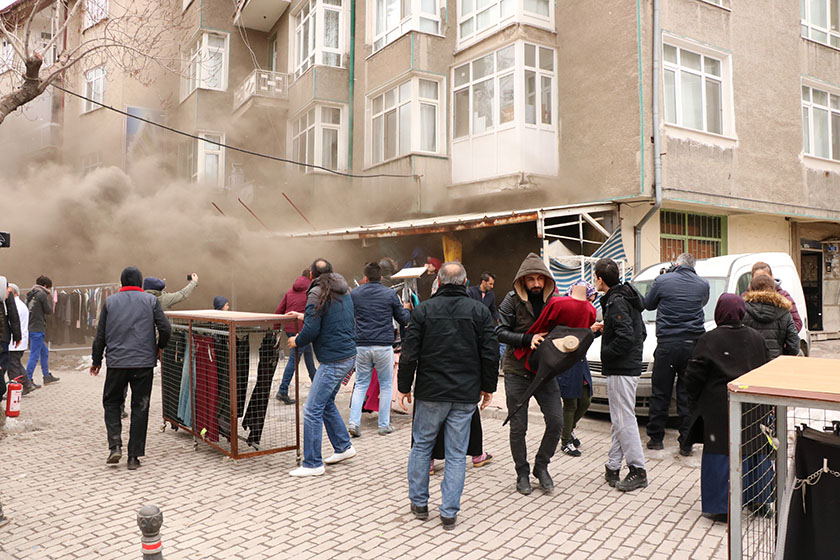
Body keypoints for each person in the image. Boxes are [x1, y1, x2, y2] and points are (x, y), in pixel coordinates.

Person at [397, 262, 498, 531]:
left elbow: (409, 353)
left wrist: (404, 386)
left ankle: (419, 505)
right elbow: (490, 352)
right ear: (466, 283)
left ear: (439, 283)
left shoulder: (423, 311)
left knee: (421, 446)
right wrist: (488, 387)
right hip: (465, 394)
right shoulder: (479, 311)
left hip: (430, 392)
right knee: (455, 454)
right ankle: (449, 513)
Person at [683, 294, 769, 523]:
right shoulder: (756, 338)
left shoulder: (710, 339)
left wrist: (694, 401)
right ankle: (758, 498)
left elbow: (694, 375)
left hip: (720, 405)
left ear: (719, 312)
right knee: (754, 450)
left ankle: (722, 506)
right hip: (752, 403)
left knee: (720, 454)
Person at [90, 266, 171, 470]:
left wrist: (96, 360)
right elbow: (165, 328)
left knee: (111, 403)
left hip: (117, 363)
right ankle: (134, 456)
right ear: (140, 282)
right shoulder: (151, 301)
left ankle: (115, 446)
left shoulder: (110, 302)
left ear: (122, 282)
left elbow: (100, 335)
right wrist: (159, 347)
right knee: (140, 407)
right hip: (143, 363)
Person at [496, 252, 561, 495]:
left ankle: (541, 466)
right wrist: (526, 339)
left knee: (556, 422)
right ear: (522, 280)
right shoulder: (511, 301)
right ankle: (521, 473)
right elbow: (500, 332)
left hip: (545, 371)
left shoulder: (553, 301)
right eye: (530, 279)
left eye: (539, 279)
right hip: (516, 371)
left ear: (546, 280)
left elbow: (564, 328)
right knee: (518, 427)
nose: (535, 284)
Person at [288, 259, 357, 477]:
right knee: (325, 403)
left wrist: (296, 340)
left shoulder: (316, 292)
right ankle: (344, 447)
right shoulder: (343, 289)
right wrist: (302, 316)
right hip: (347, 355)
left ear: (311, 275)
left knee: (311, 409)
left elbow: (311, 330)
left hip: (333, 360)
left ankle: (312, 463)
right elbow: (327, 317)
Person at [643, 253, 709, 456]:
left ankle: (656, 439)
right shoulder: (703, 284)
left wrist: (663, 276)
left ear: (677, 264)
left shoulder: (663, 280)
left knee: (661, 392)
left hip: (668, 345)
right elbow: (702, 303)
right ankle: (686, 443)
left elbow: (648, 303)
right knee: (687, 395)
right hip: (693, 346)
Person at [593, 257, 649, 492]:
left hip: (621, 368)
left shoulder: (616, 301)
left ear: (599, 279)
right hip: (629, 366)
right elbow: (640, 332)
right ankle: (613, 466)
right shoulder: (627, 296)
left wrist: (608, 353)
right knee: (620, 417)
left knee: (624, 418)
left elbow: (627, 336)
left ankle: (638, 470)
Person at [348, 261, 410, 437]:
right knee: (385, 385)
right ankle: (384, 425)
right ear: (381, 277)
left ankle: (354, 423)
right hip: (383, 346)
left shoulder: (356, 293)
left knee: (360, 384)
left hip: (361, 345)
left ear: (365, 277)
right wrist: (406, 309)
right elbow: (403, 319)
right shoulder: (390, 294)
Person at [556, 281, 598, 457]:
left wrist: (594, 331)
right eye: (589, 299)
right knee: (571, 403)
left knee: (586, 400)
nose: (590, 303)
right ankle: (565, 441)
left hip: (581, 362)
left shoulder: (587, 312)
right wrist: (590, 331)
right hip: (567, 363)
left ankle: (569, 429)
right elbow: (571, 338)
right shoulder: (566, 311)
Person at [274, 269, 317, 405]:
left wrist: (276, 330)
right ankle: (283, 390)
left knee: (309, 358)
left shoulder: (290, 292)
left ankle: (317, 386)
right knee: (294, 359)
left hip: (290, 328)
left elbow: (278, 311)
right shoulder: (312, 292)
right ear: (311, 277)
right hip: (303, 329)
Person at [742, 274, 799, 360]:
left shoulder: (743, 311)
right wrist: (783, 356)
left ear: (751, 289)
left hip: (751, 364)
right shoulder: (784, 313)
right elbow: (794, 345)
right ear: (773, 289)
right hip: (775, 364)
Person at [749, 261, 803, 333]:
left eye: (765, 277)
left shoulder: (784, 296)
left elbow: (797, 322)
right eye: (758, 278)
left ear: (772, 276)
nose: (761, 281)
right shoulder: (745, 298)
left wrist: (785, 336)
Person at [25, 275, 59, 386]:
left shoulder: (30, 295)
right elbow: (48, 310)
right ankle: (28, 379)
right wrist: (48, 299)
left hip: (30, 327)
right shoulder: (41, 295)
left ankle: (46, 376)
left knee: (44, 352)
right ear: (45, 286)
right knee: (34, 355)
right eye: (49, 288)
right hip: (37, 329)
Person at [7, 284, 35, 395]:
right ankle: (27, 384)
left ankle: (14, 390)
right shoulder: (20, 305)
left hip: (15, 341)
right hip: (19, 341)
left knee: (13, 366)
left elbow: (12, 323)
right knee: (16, 364)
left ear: (15, 293)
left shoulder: (15, 305)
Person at [0, 277, 22, 399]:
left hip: (3, 336)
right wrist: (17, 336)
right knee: (2, 366)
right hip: (3, 337)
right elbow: (13, 315)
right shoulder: (4, 287)